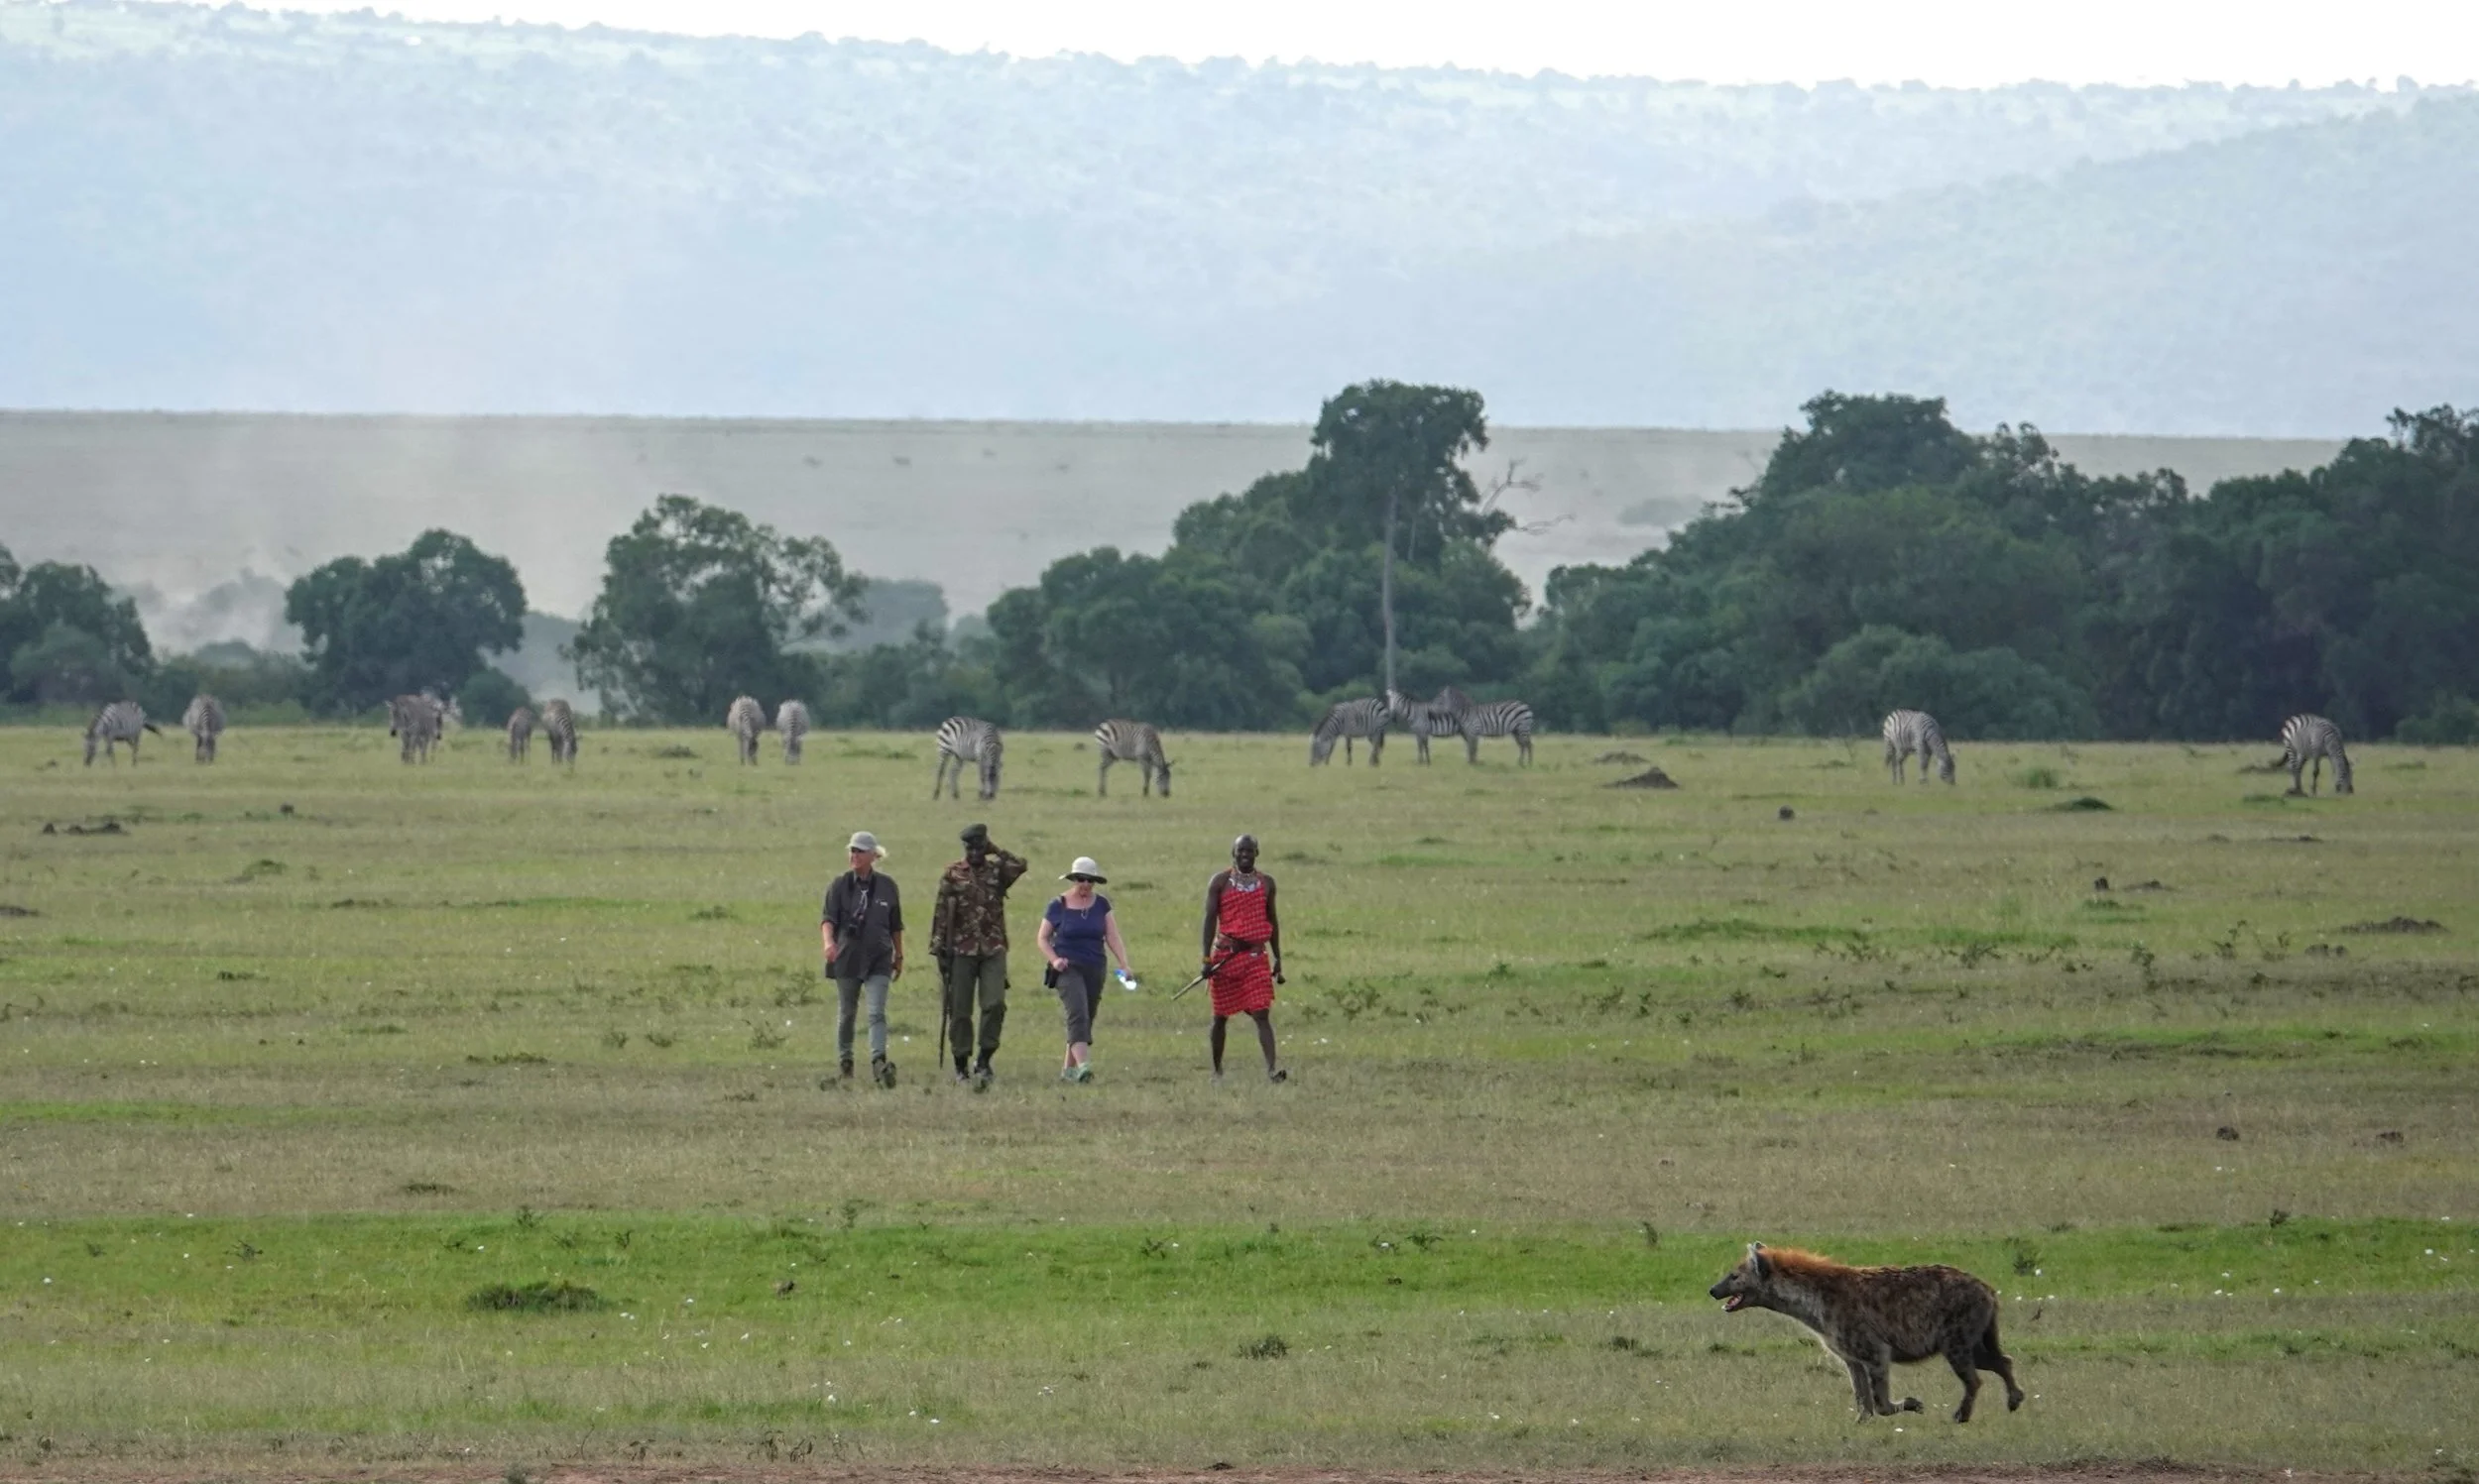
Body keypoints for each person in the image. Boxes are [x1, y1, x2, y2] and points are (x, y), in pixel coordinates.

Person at [929, 822, 1026, 1089]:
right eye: (970, 847)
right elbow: (940, 913)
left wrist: (997, 850)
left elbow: (1020, 865)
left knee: (994, 1004)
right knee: (959, 1010)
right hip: (961, 950)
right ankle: (961, 1063)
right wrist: (938, 949)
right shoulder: (953, 874)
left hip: (993, 948)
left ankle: (984, 1059)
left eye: (979, 847)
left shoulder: (997, 871)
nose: (974, 852)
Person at [1038, 856, 1134, 1084]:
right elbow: (1042, 938)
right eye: (1081, 879)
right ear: (1073, 879)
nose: (1085, 885)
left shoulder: (1101, 905)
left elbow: (1112, 935)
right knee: (1077, 1013)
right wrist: (1054, 960)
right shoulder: (1058, 905)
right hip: (1067, 968)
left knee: (1086, 1018)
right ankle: (1084, 1067)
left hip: (1095, 966)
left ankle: (1067, 1071)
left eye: (1090, 881)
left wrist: (1124, 963)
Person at [821, 831, 904, 1087]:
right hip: (847, 957)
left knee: (876, 1012)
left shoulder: (888, 886)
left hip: (879, 956)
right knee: (847, 1012)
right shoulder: (839, 885)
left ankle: (879, 1061)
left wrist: (899, 953)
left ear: (873, 855)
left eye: (859, 851)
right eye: (852, 851)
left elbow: (895, 924)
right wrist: (829, 943)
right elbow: (828, 919)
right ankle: (845, 1062)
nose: (854, 855)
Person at [1201, 833, 1286, 1084]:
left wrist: (1278, 957)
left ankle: (1272, 1070)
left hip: (1256, 956)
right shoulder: (1220, 882)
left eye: (1250, 851)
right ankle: (1216, 1071)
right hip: (1225, 957)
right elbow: (1209, 920)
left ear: (1257, 853)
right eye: (1240, 851)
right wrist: (1206, 960)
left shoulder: (1267, 883)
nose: (1245, 855)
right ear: (1233, 853)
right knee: (1220, 1016)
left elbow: (1272, 920)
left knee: (1261, 1012)